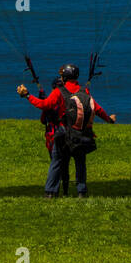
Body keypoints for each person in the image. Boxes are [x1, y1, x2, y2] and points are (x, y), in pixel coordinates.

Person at [17, 63, 115, 198]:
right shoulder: (84, 92)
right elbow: (96, 108)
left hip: (63, 133)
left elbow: (44, 105)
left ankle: (51, 192)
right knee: (80, 162)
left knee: (57, 161)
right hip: (80, 133)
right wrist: (108, 119)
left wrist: (27, 95)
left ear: (64, 78)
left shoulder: (59, 91)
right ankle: (81, 192)